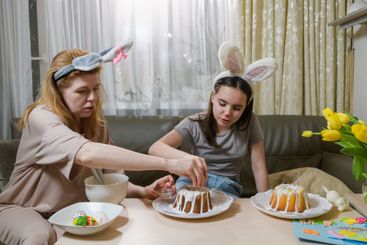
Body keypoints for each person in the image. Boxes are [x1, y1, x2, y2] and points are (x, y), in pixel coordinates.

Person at [0, 40, 207, 245]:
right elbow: (87, 154)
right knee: (39, 235)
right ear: (59, 92)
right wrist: (168, 163)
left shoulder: (97, 126)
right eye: (82, 91)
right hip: (23, 210)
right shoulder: (41, 118)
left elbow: (111, 178)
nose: (92, 98)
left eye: (96, 88)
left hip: (70, 214)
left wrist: (143, 191)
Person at [149, 42, 278, 198]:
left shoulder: (250, 122)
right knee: (188, 206)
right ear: (212, 97)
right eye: (222, 104)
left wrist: (265, 201)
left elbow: (258, 166)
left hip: (227, 184)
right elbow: (155, 148)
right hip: (191, 180)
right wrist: (190, 159)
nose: (227, 113)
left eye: (237, 108)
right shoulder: (194, 122)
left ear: (245, 107)